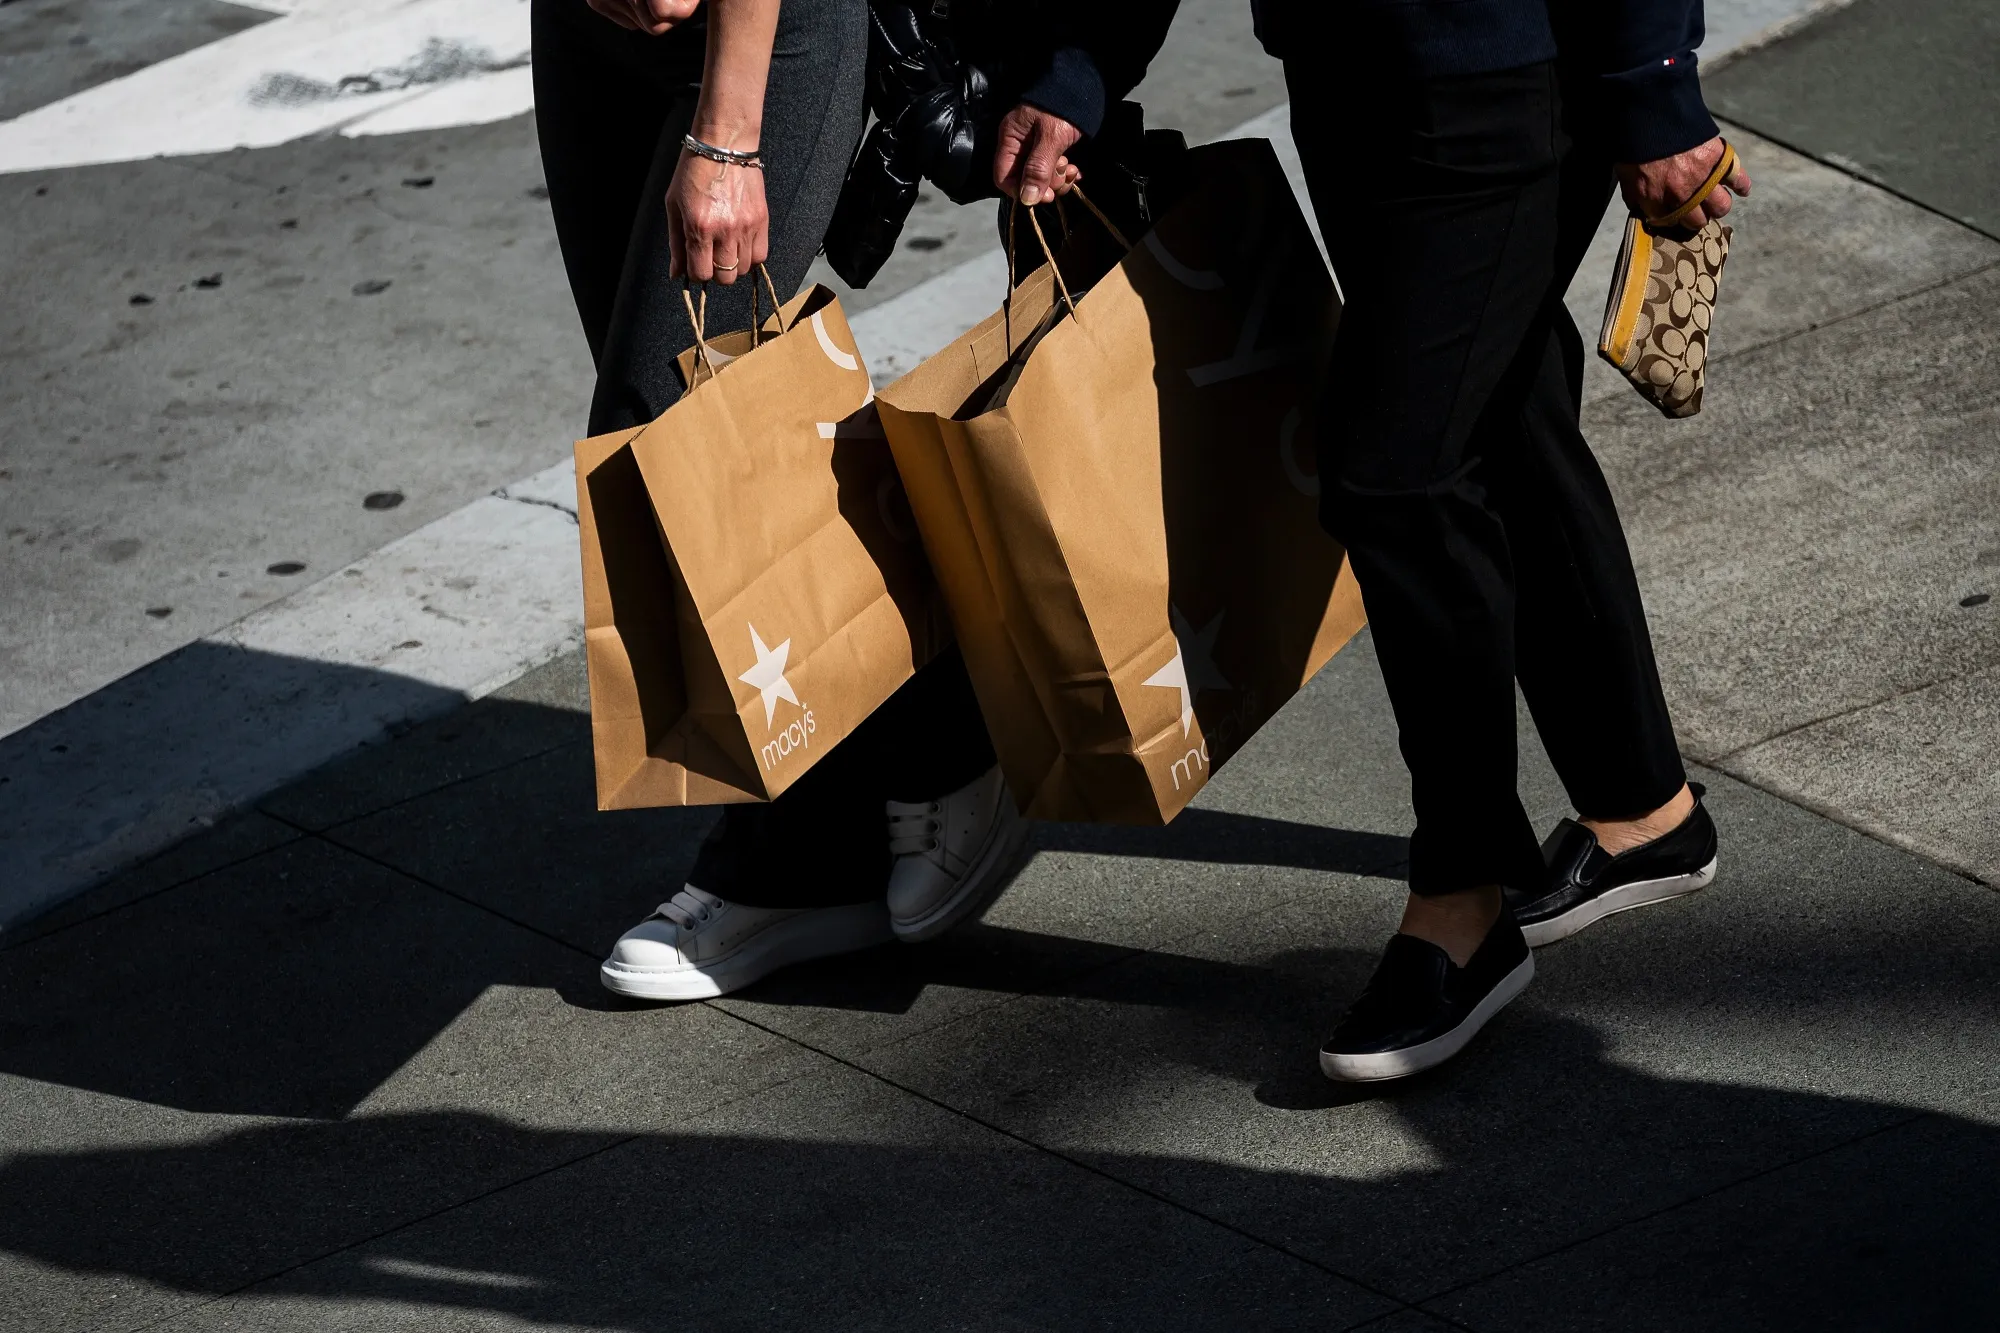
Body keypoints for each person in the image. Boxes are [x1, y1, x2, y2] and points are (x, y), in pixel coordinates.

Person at [531, 0, 1143, 1000]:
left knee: (666, 423)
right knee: (697, 440)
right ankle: (931, 741)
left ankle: (799, 850)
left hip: (757, 33)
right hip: (582, 26)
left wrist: (728, 140)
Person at [1247, 0, 1749, 1081]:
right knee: (1497, 402)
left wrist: (1651, 78)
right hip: (1342, 61)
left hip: (1500, 64)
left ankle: (1462, 898)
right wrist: (1075, 68)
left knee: (1397, 477)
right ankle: (1641, 806)